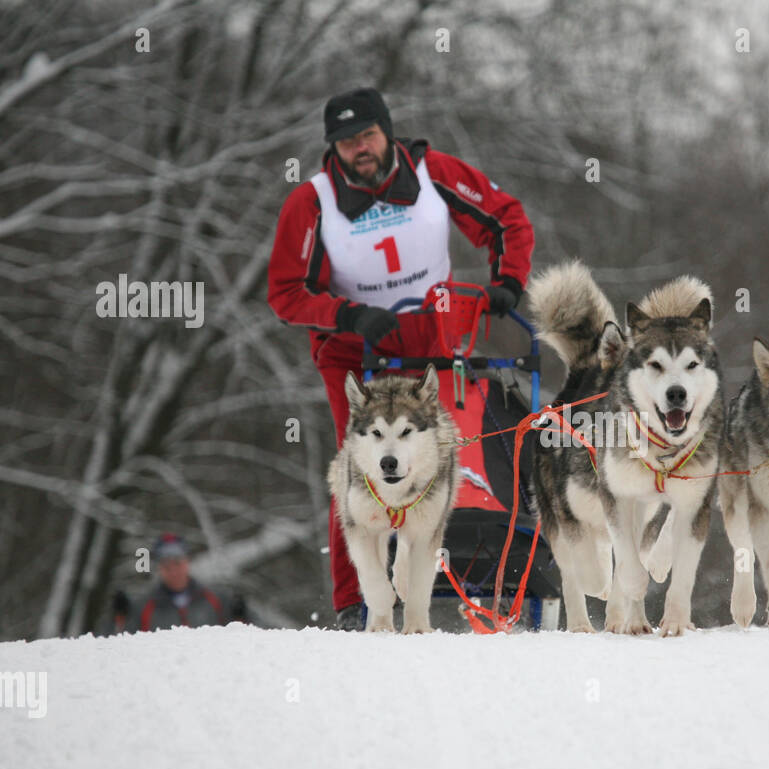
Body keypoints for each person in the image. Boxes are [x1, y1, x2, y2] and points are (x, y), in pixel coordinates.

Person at [267, 87, 535, 629]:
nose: (358, 149)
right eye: (345, 142)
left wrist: (507, 280)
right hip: (353, 348)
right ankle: (353, 601)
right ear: (332, 149)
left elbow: (505, 217)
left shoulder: (432, 172)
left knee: (438, 458)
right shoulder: (311, 202)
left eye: (366, 135)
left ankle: (454, 574)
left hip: (430, 340)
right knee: (358, 467)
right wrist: (345, 314)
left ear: (387, 132)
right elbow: (285, 292)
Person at [107, 533, 247, 632]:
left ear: (187, 561)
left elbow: (253, 637)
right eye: (166, 565)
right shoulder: (143, 607)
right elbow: (116, 646)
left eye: (177, 563)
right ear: (159, 567)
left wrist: (242, 615)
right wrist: (118, 617)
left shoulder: (216, 600)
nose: (173, 571)